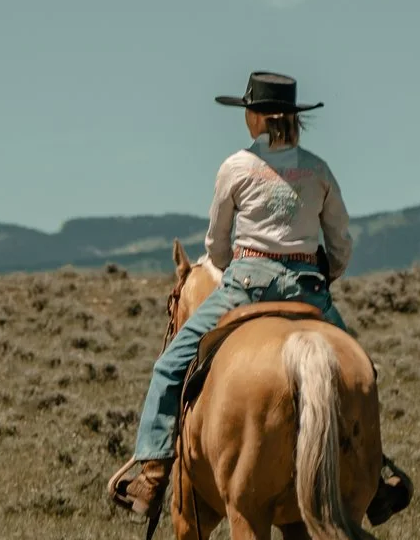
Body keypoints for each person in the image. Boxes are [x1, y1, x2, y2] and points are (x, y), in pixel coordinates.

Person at [108, 71, 353, 517]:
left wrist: (232, 266)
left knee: (168, 367)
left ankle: (153, 475)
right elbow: (339, 243)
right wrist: (322, 277)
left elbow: (215, 247)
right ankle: (372, 474)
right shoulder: (318, 170)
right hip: (308, 290)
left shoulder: (236, 166)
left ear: (255, 118)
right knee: (360, 372)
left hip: (245, 287)